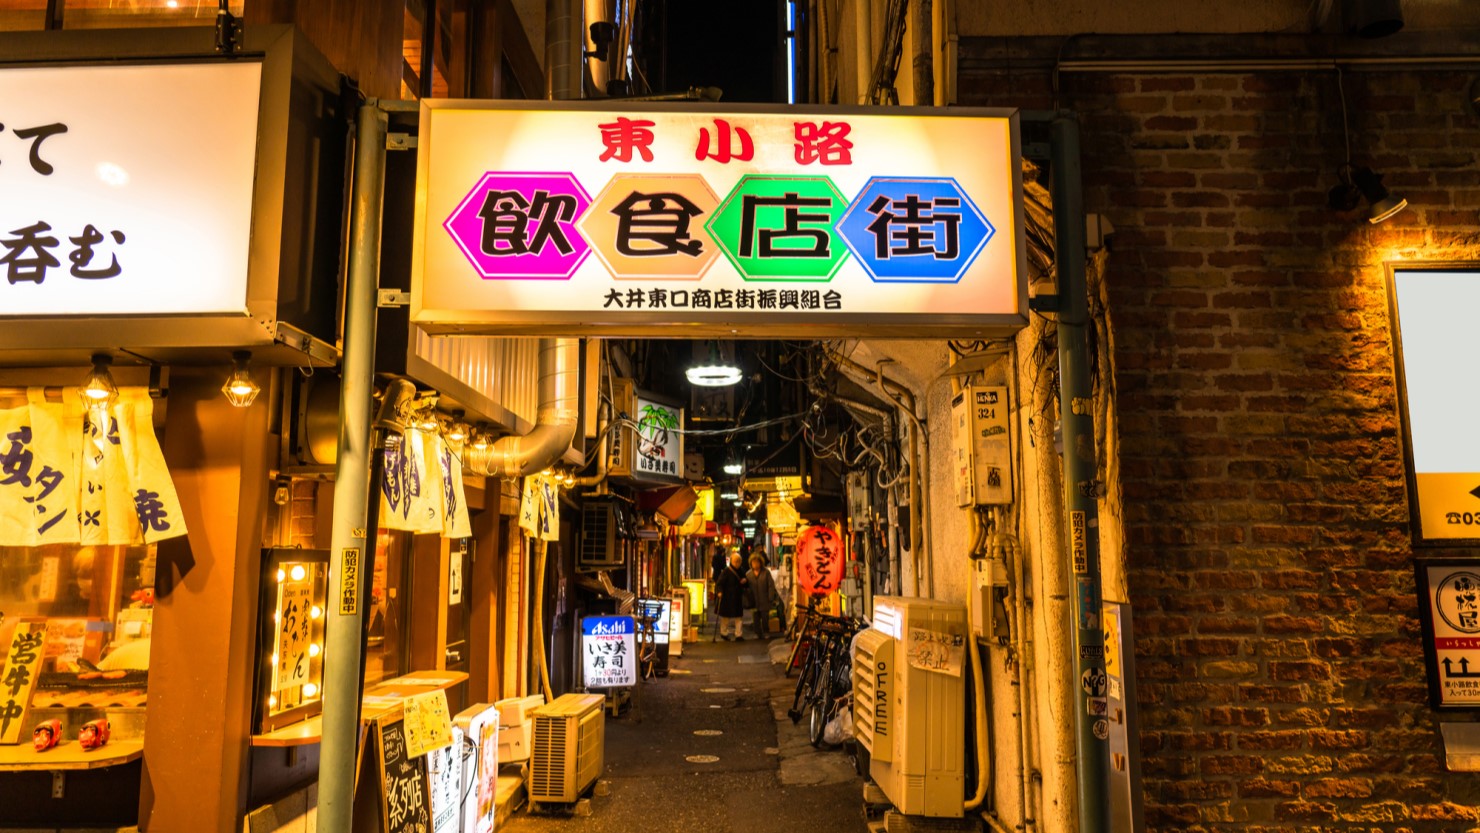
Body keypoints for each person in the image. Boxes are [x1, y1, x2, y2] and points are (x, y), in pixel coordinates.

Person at [715, 551, 749, 641]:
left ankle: (738, 634)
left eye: (739, 561)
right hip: (727, 597)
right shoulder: (726, 571)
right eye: (735, 561)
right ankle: (724, 633)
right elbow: (719, 583)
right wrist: (719, 592)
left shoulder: (741, 570)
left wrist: (745, 581)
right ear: (731, 561)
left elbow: (746, 583)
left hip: (737, 597)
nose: (737, 563)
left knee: (738, 617)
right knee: (726, 617)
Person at [746, 553, 778, 640]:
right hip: (754, 600)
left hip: (765, 599)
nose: (755, 564)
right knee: (755, 618)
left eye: (757, 562)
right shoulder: (748, 574)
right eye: (753, 562)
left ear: (760, 563)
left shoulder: (766, 572)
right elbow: (746, 588)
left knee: (765, 618)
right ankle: (758, 633)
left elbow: (771, 585)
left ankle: (766, 632)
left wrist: (771, 597)